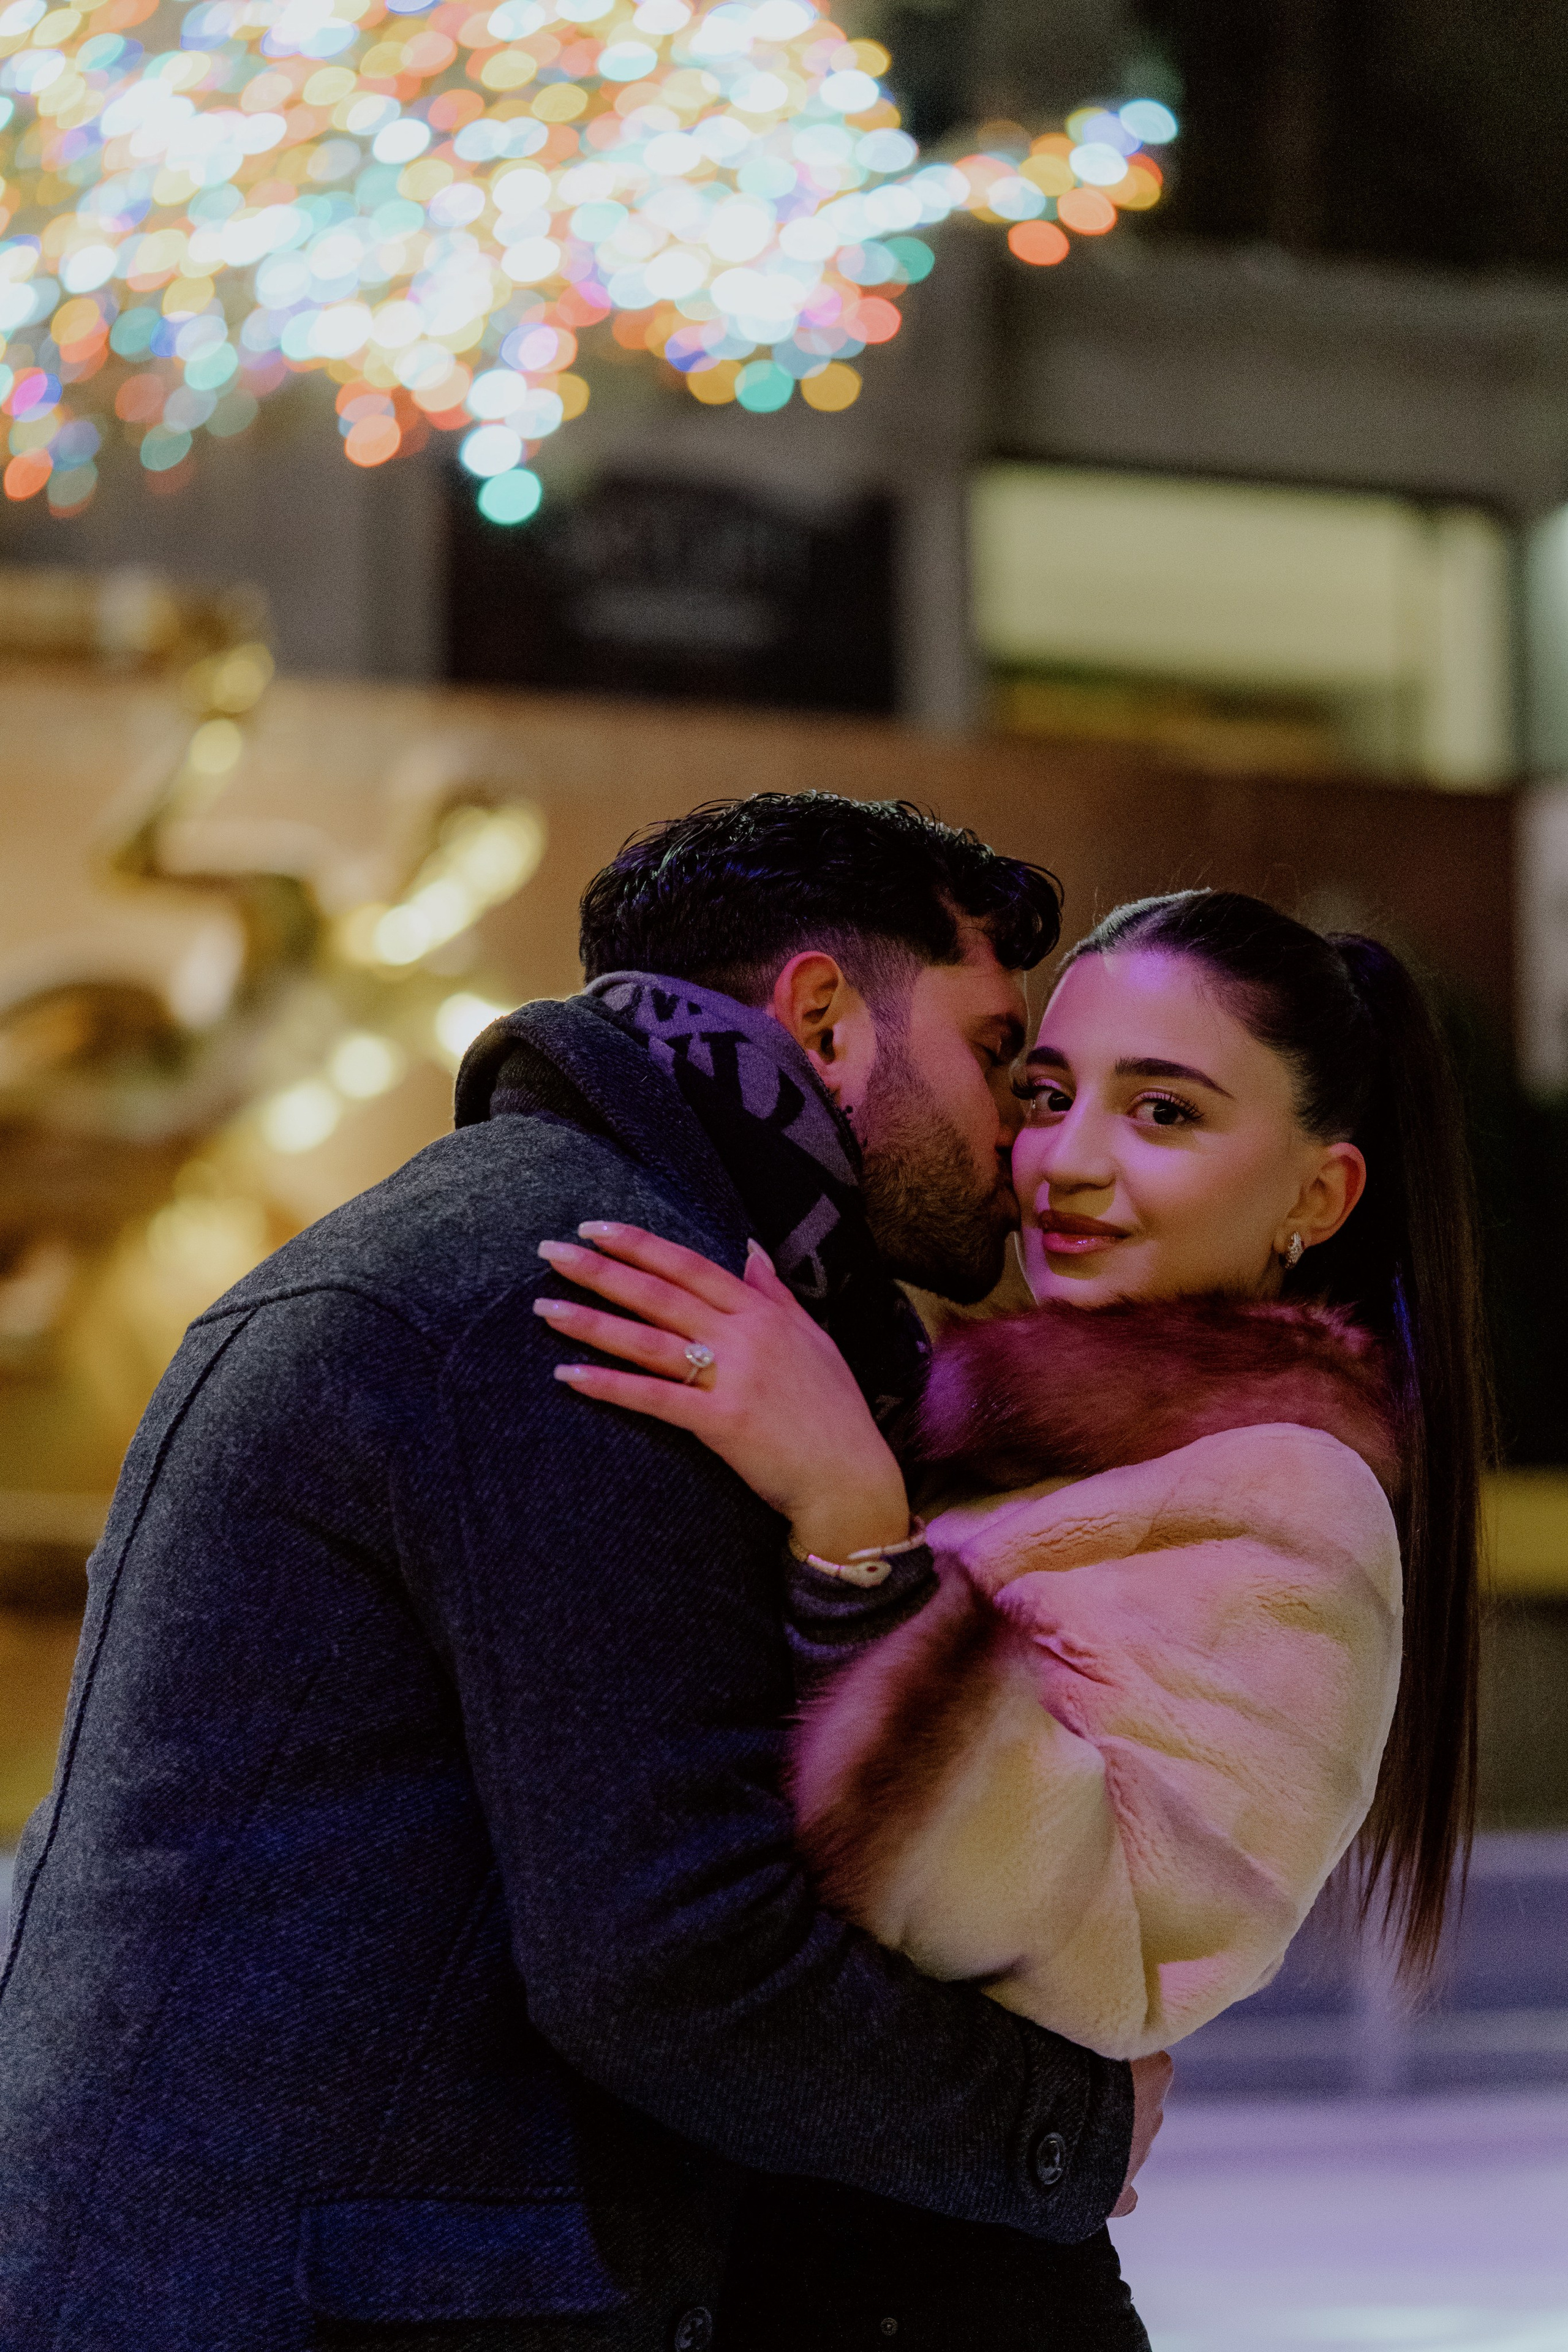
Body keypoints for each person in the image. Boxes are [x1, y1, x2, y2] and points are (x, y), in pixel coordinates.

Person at [0, 795, 1166, 2352]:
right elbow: (674, 1960)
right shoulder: (586, 1306)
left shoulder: (551, 1252)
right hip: (304, 2300)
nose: (1022, 1142)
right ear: (822, 1019)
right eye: (994, 1058)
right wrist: (1064, 2126)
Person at [541, 889, 1488, 2345]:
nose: (1066, 1163)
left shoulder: (1285, 1497)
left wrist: (855, 1532)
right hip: (793, 2264)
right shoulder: (976, 1436)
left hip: (943, 2300)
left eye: (1162, 1115)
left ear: (1317, 1196)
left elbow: (1095, 1950)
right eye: (1044, 1093)